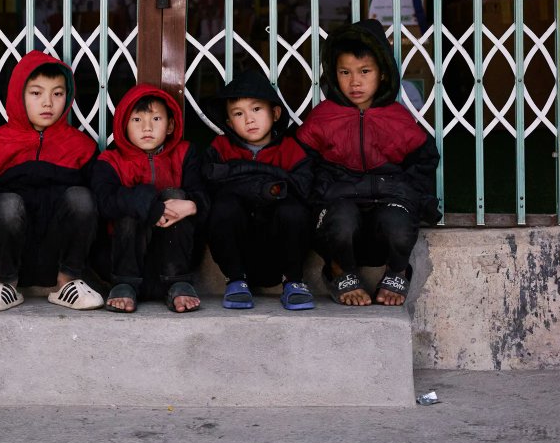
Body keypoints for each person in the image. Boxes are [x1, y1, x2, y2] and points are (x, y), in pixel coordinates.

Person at [297, 19, 440, 307]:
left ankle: (398, 269)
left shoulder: (396, 118)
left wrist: (412, 196)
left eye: (365, 72)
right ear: (333, 75)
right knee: (340, 223)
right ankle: (339, 269)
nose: (355, 82)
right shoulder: (324, 117)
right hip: (341, 199)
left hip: (387, 198)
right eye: (345, 72)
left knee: (399, 225)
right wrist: (320, 194)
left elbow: (423, 161)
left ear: (383, 74)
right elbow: (302, 161)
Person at [0, 50, 104, 312]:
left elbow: (103, 196)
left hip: (63, 252)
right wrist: (5, 204)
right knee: (8, 205)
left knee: (83, 197)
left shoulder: (81, 147)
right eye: (36, 93)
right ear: (18, 95)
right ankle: (7, 286)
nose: (48, 103)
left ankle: (67, 284)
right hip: (15, 250)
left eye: (57, 94)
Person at [200, 69, 315, 311]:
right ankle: (236, 281)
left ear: (275, 113)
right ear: (229, 122)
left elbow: (304, 187)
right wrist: (268, 184)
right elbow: (210, 184)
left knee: (294, 210)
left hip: (279, 245)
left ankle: (293, 281)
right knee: (224, 206)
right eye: (238, 114)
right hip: (237, 246)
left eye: (256, 109)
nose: (249, 119)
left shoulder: (290, 148)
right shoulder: (220, 148)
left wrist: (244, 178)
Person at [91, 84, 207, 314]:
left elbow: (204, 194)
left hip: (174, 263)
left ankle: (178, 283)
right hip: (124, 265)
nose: (147, 127)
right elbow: (104, 202)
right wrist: (150, 206)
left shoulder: (185, 153)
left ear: (171, 125)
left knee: (176, 196)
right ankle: (125, 283)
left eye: (156, 119)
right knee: (127, 201)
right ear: (124, 125)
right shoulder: (111, 160)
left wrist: (193, 205)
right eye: (136, 120)